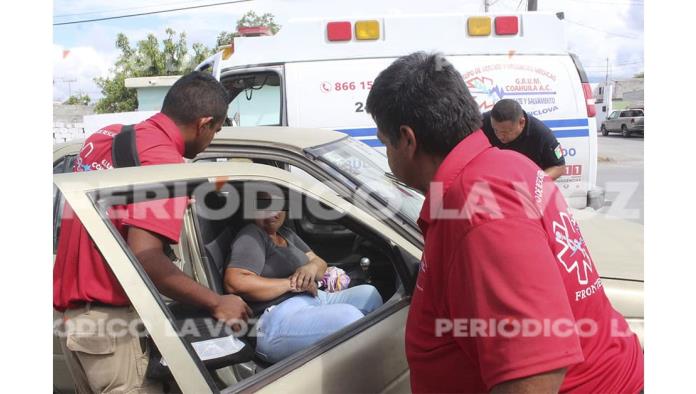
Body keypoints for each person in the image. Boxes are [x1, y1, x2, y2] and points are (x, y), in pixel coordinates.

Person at [365, 52, 643, 393]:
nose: (387, 154)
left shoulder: (477, 209)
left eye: (383, 142)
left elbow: (535, 378)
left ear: (407, 140)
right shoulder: (504, 166)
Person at [54, 71, 252, 393]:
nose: (211, 140)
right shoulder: (164, 164)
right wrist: (217, 302)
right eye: (215, 130)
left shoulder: (105, 136)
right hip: (111, 329)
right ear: (204, 123)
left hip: (75, 326)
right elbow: (145, 257)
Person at [224, 193, 383, 363]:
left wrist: (311, 268)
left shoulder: (286, 233)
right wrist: (293, 283)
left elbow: (319, 262)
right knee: (349, 317)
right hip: (274, 319)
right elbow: (235, 282)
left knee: (369, 295)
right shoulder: (252, 235)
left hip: (315, 298)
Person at [481, 99, 566, 180]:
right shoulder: (482, 122)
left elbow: (559, 167)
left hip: (526, 184)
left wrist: (535, 182)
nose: (499, 136)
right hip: (492, 181)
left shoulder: (541, 134)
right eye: (495, 130)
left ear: (521, 122)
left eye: (506, 132)